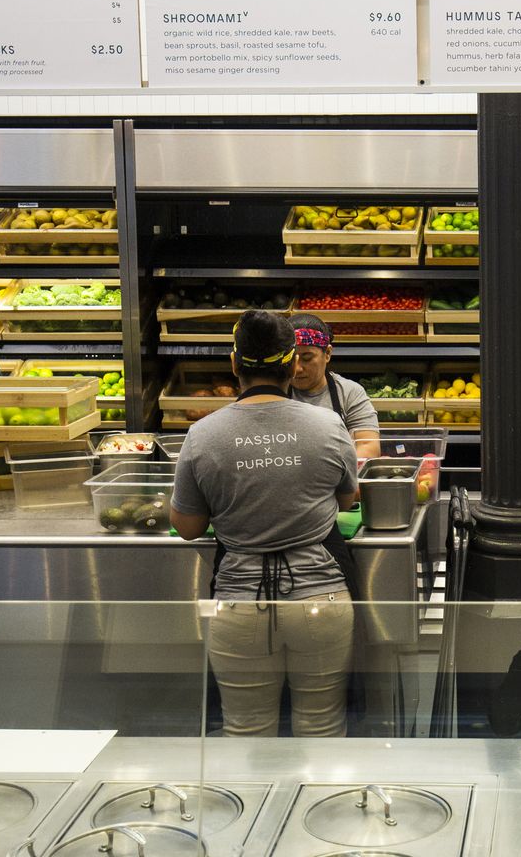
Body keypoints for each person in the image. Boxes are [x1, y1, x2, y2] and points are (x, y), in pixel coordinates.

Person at [169, 310, 360, 738]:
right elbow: (348, 499)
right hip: (321, 597)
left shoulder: (203, 434)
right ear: (293, 364)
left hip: (238, 602)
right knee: (322, 726)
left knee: (246, 731)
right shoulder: (328, 426)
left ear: (234, 364)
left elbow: (187, 526)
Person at [288, 314, 381, 459]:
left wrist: (330, 475)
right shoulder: (274, 391)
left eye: (307, 358)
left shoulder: (349, 393)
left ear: (328, 354)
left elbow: (368, 447)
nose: (298, 368)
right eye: (291, 359)